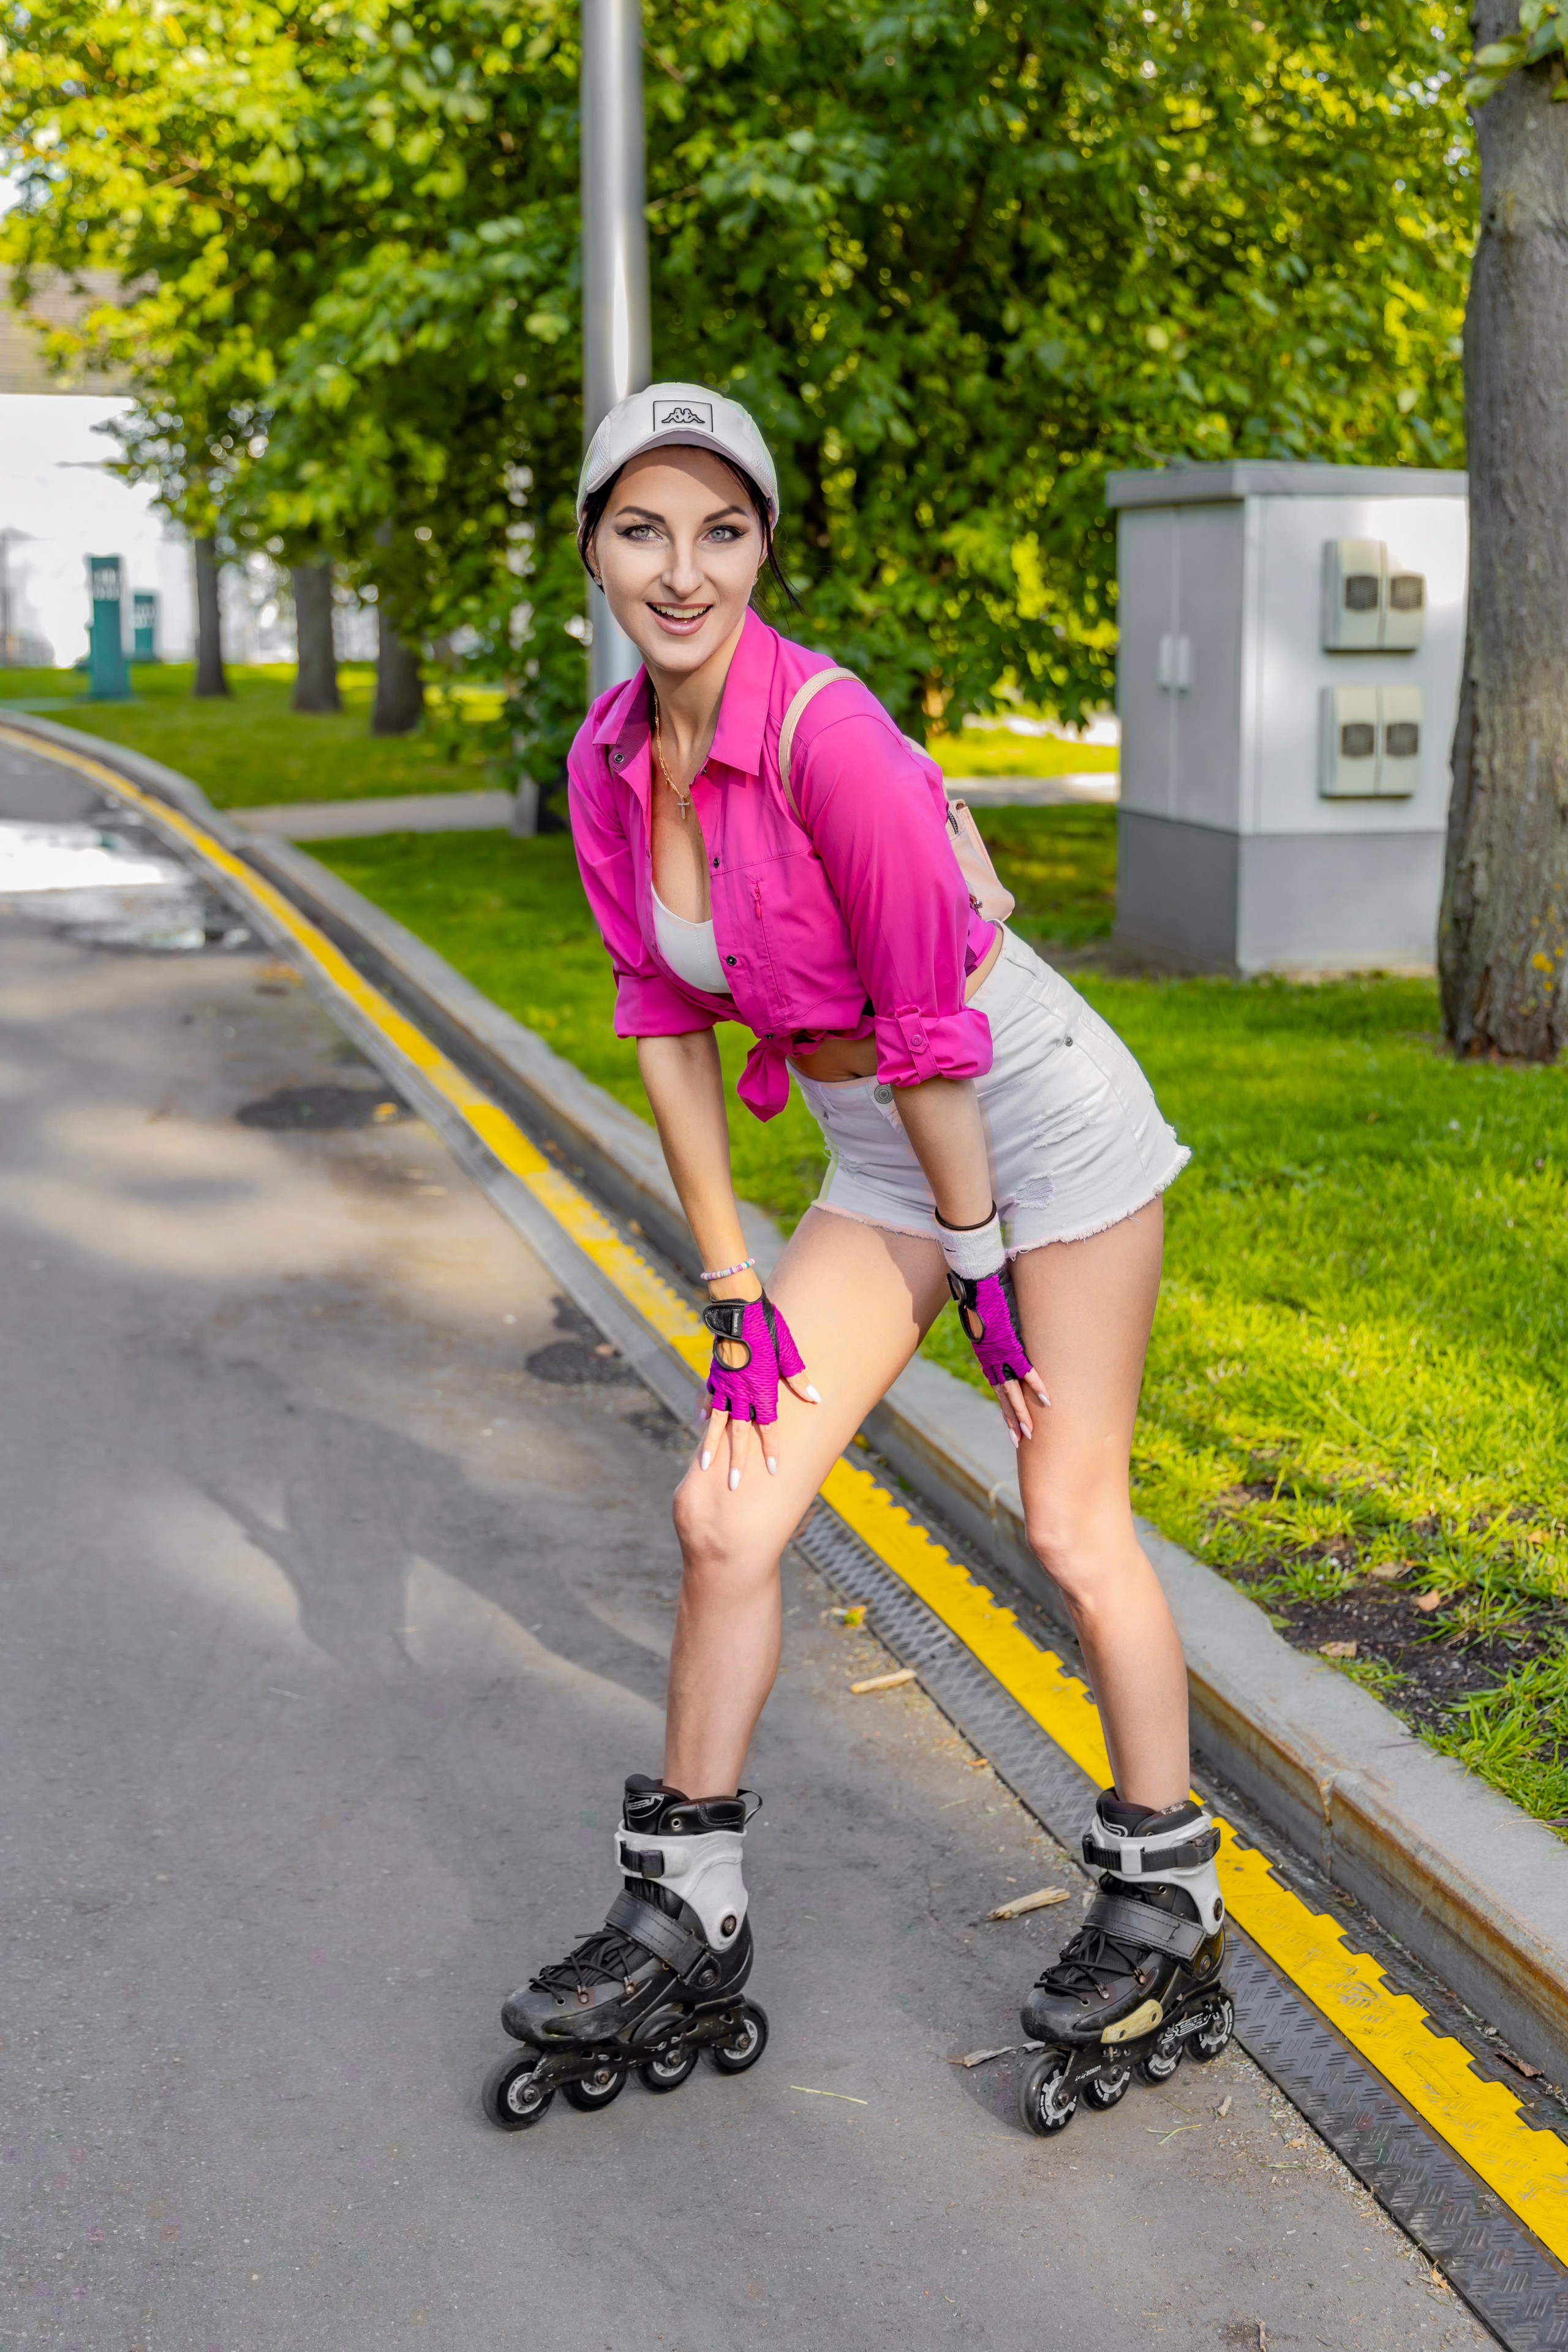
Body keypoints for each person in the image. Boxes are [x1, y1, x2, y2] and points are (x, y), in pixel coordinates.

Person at [490, 383, 1226, 2126]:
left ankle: (1170, 1898)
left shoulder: (835, 738)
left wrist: (984, 1278)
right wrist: (734, 1281)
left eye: (721, 531)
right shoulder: (609, 760)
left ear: (762, 548)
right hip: (890, 1153)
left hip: (1033, 1120)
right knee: (724, 1508)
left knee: (1067, 1513)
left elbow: (933, 1030)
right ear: (593, 545)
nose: (683, 571)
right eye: (643, 529)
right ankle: (689, 1902)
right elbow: (664, 1021)